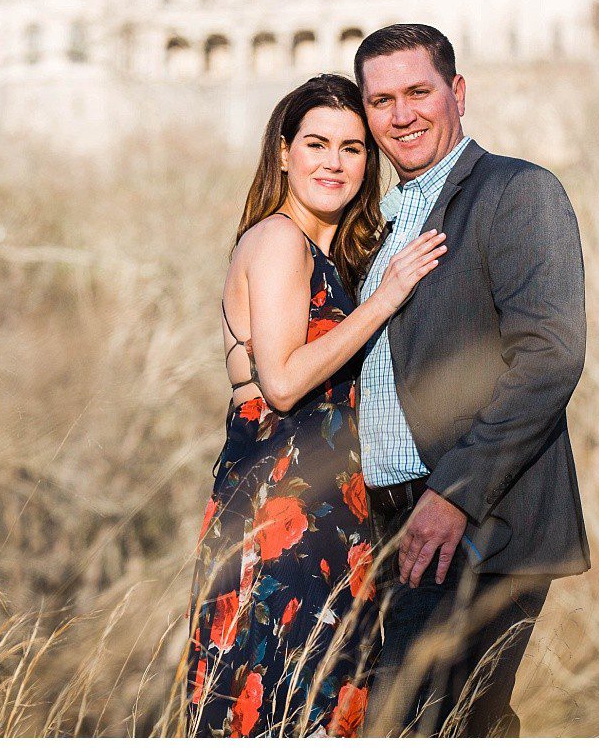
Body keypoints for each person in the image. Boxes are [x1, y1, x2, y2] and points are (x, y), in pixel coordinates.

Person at [186, 74, 448, 737]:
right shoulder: (277, 240)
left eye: (353, 148)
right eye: (317, 143)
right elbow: (281, 381)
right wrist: (385, 300)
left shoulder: (332, 257)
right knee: (278, 713)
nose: (334, 161)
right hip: (281, 520)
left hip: (334, 519)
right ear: (283, 151)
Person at [352, 24, 591, 737]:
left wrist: (453, 494)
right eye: (382, 100)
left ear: (457, 93)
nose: (402, 115)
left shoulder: (518, 191)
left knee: (414, 725)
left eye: (419, 92)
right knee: (462, 725)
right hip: (391, 526)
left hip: (477, 520)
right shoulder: (383, 221)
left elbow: (550, 354)